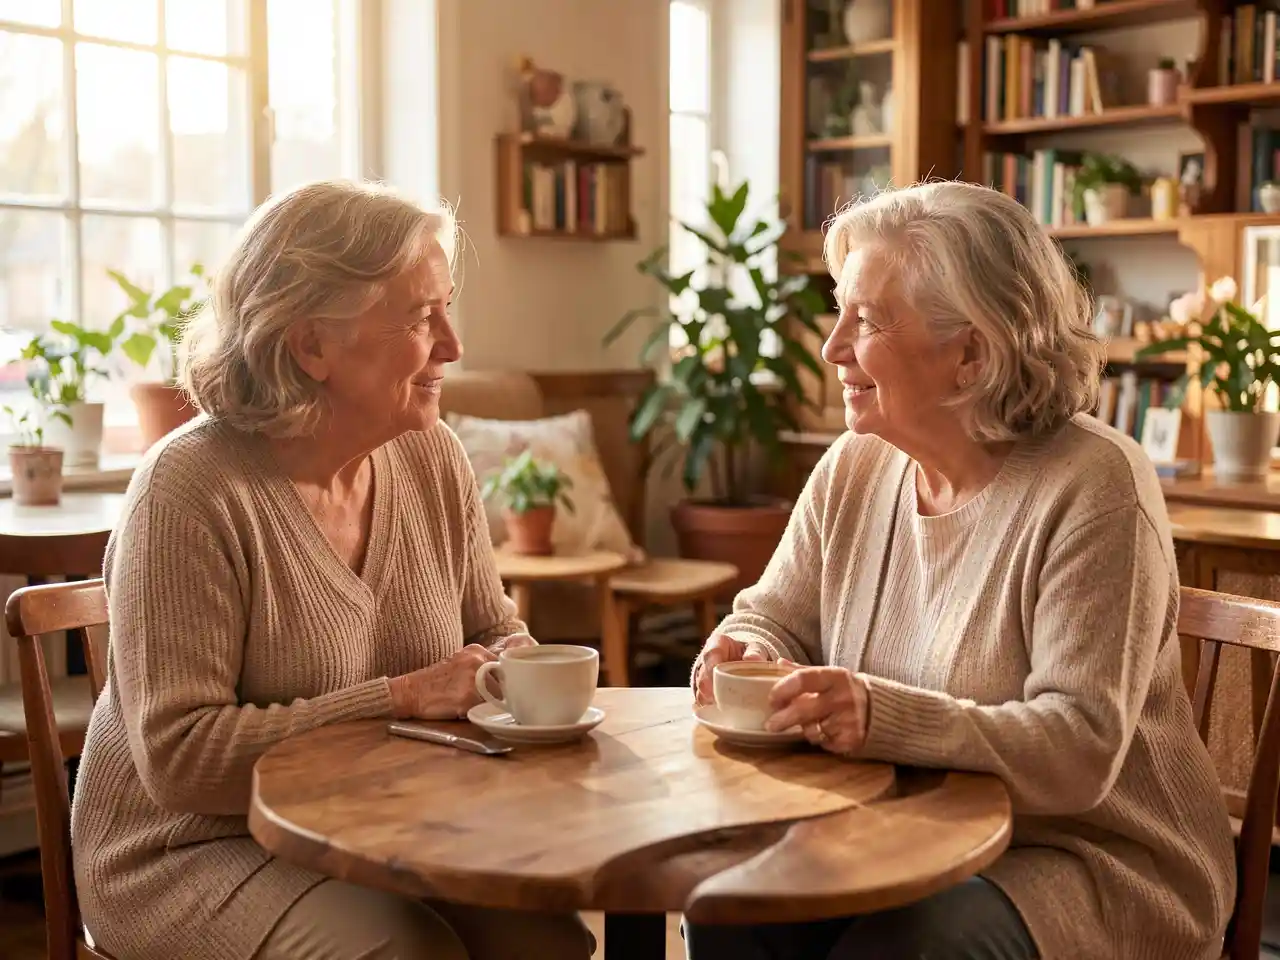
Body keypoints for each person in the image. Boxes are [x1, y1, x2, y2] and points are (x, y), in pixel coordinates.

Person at [685, 181, 1236, 960]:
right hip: (905, 829)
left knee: (910, 946)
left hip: (1086, 859)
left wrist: (881, 716)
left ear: (971, 353)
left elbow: (1078, 751)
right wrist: (742, 642)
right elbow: (774, 613)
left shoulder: (1096, 485)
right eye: (840, 311)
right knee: (727, 903)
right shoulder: (856, 463)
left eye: (867, 320)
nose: (833, 346)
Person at [70, 179, 595, 960]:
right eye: (421, 317)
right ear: (309, 344)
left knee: (545, 942)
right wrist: (403, 698)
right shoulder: (189, 489)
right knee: (402, 951)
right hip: (189, 850)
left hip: (377, 821)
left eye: (446, 309)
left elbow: (491, 629)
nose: (453, 345)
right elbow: (181, 760)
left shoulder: (433, 455)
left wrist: (513, 665)